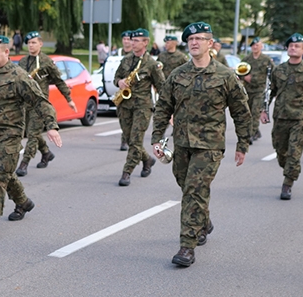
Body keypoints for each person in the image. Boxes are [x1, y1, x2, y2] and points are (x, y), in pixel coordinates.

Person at [151, 22, 251, 267]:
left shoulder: (225, 75)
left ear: (210, 43)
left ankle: (187, 246)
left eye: (200, 38)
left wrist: (243, 144)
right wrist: (156, 137)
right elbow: (163, 106)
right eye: (191, 39)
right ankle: (203, 221)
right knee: (187, 187)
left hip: (210, 145)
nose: (194, 42)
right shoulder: (178, 74)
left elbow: (241, 111)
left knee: (194, 191)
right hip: (182, 143)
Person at [0, 35, 62, 238]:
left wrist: (51, 126)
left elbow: (40, 101)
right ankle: (23, 202)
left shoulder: (19, 76)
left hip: (10, 134)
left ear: (6, 52)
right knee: (0, 170)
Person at [260, 33, 303, 200]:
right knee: (281, 151)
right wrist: (264, 110)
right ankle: (288, 169)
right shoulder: (279, 70)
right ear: (287, 48)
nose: (293, 48)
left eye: (297, 46)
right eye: (291, 45)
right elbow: (270, 92)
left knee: (294, 153)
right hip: (280, 117)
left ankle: (288, 183)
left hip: (299, 118)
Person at [15, 31, 76, 176]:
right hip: (25, 104)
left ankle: (24, 163)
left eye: (34, 42)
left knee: (32, 135)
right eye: (29, 43)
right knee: (33, 133)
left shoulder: (47, 62)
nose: (31, 45)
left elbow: (59, 81)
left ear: (40, 44)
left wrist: (69, 99)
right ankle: (46, 153)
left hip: (39, 105)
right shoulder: (23, 62)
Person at [114, 28, 165, 186]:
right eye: (131, 40)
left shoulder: (152, 64)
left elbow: (162, 87)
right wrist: (120, 82)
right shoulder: (126, 59)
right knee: (130, 140)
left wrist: (167, 110)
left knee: (135, 141)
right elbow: (116, 77)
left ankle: (127, 172)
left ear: (145, 42)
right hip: (124, 105)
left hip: (142, 107)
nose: (132, 43)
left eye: (136, 40)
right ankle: (147, 159)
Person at [241, 37, 274, 142]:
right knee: (248, 112)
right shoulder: (246, 59)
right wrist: (244, 77)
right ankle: (256, 131)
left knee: (255, 112)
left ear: (261, 47)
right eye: (253, 45)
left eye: (257, 45)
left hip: (259, 90)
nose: (255, 47)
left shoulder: (266, 59)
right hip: (248, 90)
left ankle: (250, 134)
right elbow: (239, 71)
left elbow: (274, 73)